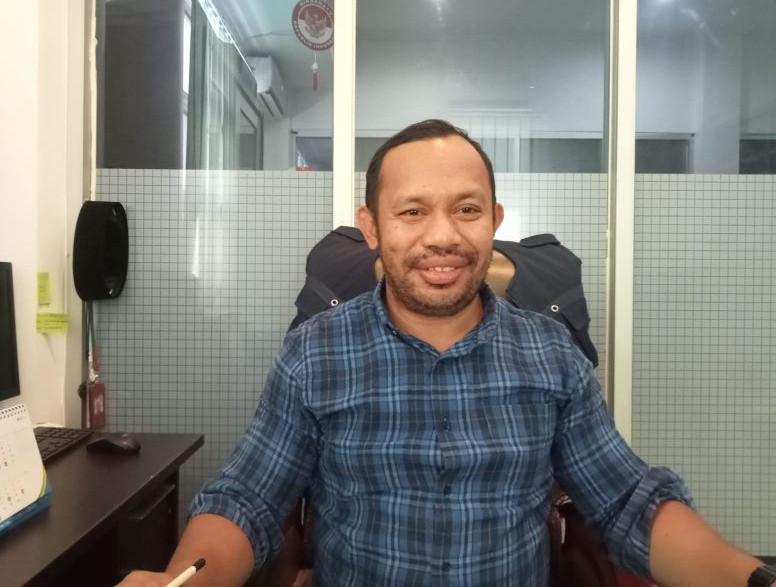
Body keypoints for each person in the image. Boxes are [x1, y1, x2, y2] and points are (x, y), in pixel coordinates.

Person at [119, 119, 773, 587]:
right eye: (412, 213)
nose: (443, 237)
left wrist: (751, 577)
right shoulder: (315, 354)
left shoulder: (551, 356)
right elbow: (248, 500)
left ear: (495, 221)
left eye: (466, 210)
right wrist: (185, 579)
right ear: (371, 227)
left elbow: (629, 501)